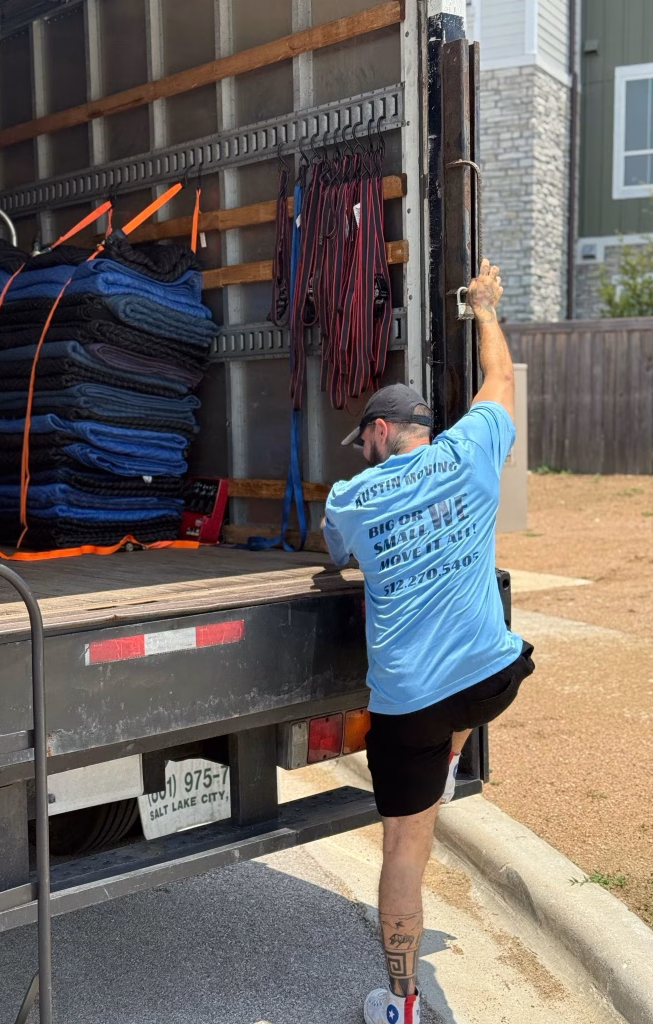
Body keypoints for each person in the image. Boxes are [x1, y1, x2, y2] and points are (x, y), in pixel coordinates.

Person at [323, 259, 535, 1024]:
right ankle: (454, 758)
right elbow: (500, 380)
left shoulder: (352, 494)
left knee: (403, 856)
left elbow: (338, 556)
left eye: (364, 439)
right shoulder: (472, 448)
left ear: (380, 430)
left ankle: (403, 1006)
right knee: (495, 671)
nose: (363, 449)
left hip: (412, 701)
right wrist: (483, 308)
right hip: (492, 677)